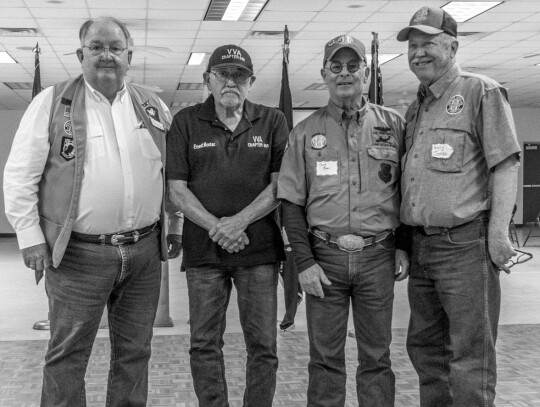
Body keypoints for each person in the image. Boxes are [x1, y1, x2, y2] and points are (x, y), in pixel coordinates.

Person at [3, 17, 180, 407]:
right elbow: (19, 177)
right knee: (67, 356)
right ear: (81, 55)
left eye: (115, 48)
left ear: (128, 56)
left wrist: (177, 225)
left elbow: (173, 173)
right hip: (78, 257)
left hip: (144, 254)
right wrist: (31, 238)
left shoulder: (153, 106)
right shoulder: (51, 103)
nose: (106, 55)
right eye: (96, 47)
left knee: (135, 354)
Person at [396, 6, 521, 407]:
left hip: (465, 247)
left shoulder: (479, 91)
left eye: (428, 43)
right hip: (422, 249)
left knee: (470, 357)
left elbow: (505, 164)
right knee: (426, 351)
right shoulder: (416, 106)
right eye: (413, 46)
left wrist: (499, 234)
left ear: (452, 44)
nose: (418, 53)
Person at [277, 35, 409, 407]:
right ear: (324, 74)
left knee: (377, 359)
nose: (345, 73)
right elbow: (290, 203)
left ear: (366, 73)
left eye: (353, 66)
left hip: (378, 258)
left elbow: (409, 192)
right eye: (336, 67)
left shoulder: (394, 125)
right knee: (324, 360)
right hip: (324, 259)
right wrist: (303, 263)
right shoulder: (304, 132)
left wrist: (403, 246)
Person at [166, 44, 289, 407]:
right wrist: (218, 228)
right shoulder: (186, 122)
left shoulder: (273, 120)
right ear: (208, 80)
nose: (231, 82)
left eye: (240, 75)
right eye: (222, 74)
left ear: (251, 81)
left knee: (264, 345)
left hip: (260, 253)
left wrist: (238, 222)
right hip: (204, 253)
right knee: (204, 343)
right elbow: (177, 190)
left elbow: (279, 185)